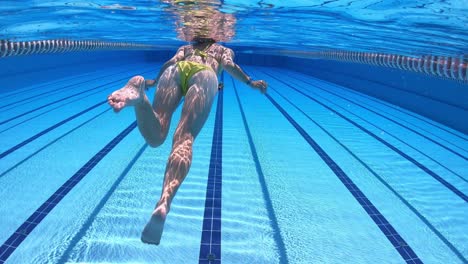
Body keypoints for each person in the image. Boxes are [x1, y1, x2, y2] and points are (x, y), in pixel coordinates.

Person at [107, 37, 267, 245]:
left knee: (156, 137)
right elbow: (228, 65)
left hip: (174, 72)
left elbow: (171, 63)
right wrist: (250, 82)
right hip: (205, 75)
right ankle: (164, 202)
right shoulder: (221, 49)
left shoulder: (185, 47)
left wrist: (154, 81)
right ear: (215, 36)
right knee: (184, 137)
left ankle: (140, 99)